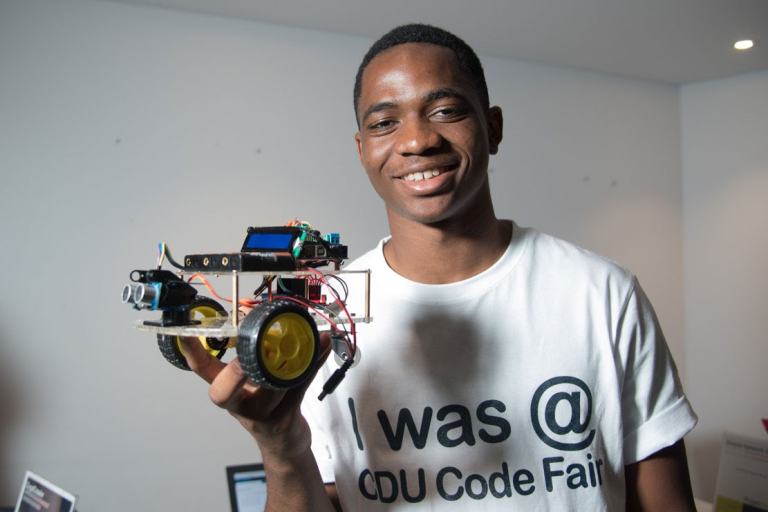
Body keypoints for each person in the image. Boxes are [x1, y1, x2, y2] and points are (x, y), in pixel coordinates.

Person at [181, 23, 697, 511]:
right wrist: (280, 445)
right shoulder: (320, 316)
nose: (416, 141)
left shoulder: (603, 294)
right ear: (362, 152)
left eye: (446, 111)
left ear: (492, 128)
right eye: (384, 123)